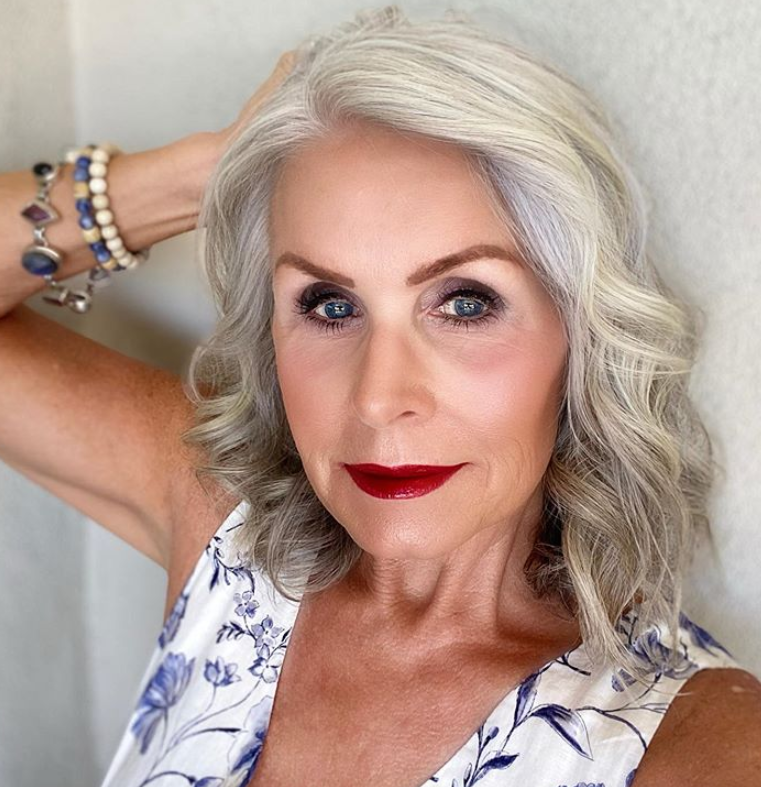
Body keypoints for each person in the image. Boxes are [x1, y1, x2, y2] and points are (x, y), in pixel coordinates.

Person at [1, 5, 759, 786]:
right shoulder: (229, 544)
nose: (377, 397)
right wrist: (206, 174)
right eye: (329, 304)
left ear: (579, 331)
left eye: (464, 302)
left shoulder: (695, 742)